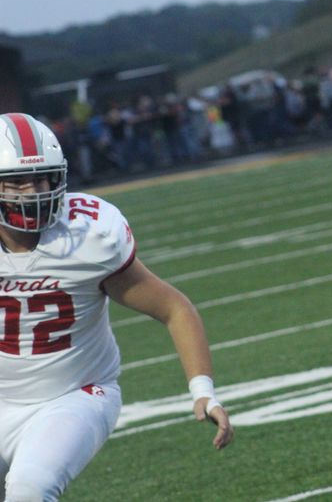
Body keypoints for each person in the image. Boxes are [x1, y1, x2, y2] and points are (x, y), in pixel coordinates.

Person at [0, 113, 234, 501]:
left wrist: (204, 391)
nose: (34, 192)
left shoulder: (87, 237)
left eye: (42, 179)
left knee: (30, 489)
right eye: (18, 182)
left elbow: (174, 308)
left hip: (74, 395)